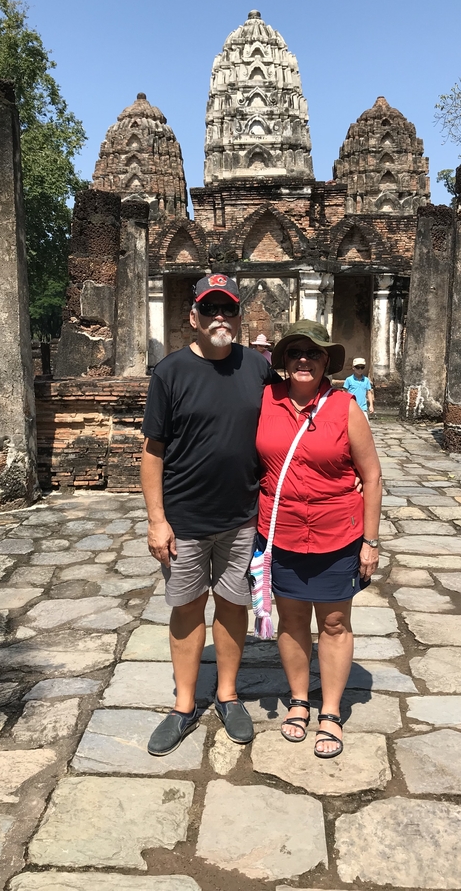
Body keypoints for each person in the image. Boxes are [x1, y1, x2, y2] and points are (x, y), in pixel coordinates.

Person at [141, 273, 275, 756]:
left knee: (234, 603)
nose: (221, 317)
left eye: (229, 309)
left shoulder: (257, 369)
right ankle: (183, 704)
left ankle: (227, 693)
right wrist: (157, 519)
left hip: (242, 515)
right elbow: (153, 452)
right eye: (211, 308)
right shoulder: (170, 373)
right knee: (187, 605)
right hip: (186, 517)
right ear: (193, 317)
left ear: (239, 316)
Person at [255, 320, 382, 758]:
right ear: (283, 362)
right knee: (291, 622)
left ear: (327, 361)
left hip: (336, 534)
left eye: (313, 353)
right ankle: (298, 701)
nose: (303, 360)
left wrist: (371, 541)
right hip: (281, 531)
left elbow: (373, 476)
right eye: (294, 353)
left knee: (333, 623)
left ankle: (330, 711)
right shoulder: (266, 401)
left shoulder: (345, 407)